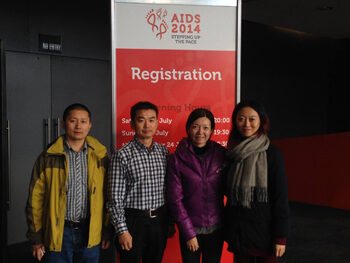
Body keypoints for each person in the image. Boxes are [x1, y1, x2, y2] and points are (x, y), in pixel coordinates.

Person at [25, 103, 110, 263]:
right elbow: (35, 202)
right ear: (64, 124)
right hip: (59, 231)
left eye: (83, 121)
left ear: (90, 125)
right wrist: (36, 238)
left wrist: (106, 230)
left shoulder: (101, 156)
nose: (78, 126)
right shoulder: (47, 158)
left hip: (90, 230)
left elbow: (109, 196)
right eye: (73, 121)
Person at [224, 101, 290, 263]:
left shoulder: (272, 153)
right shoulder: (232, 154)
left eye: (252, 119)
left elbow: (280, 197)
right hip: (239, 233)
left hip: (265, 233)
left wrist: (280, 237)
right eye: (241, 119)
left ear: (261, 121)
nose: (246, 124)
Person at [107, 101, 170, 263]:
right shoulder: (122, 155)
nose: (147, 124)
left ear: (157, 123)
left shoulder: (163, 152)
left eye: (151, 119)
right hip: (133, 222)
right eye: (141, 120)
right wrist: (122, 231)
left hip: (159, 221)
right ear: (132, 124)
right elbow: (115, 199)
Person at [167, 108, 226, 263]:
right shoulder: (176, 159)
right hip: (190, 229)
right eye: (195, 126)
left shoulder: (221, 154)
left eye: (206, 127)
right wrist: (188, 233)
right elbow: (175, 200)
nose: (201, 132)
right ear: (188, 128)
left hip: (216, 229)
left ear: (212, 130)